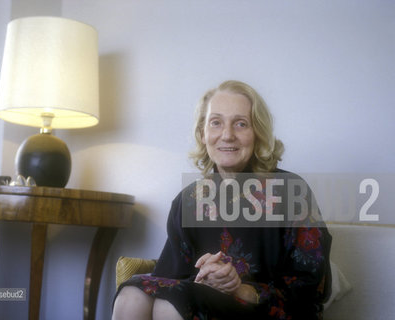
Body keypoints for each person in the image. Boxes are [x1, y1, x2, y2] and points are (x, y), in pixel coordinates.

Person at [112, 80, 332, 320]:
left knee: (171, 304)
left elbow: (311, 287)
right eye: (216, 123)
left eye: (240, 124)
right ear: (202, 134)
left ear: (258, 133)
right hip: (202, 305)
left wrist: (240, 288)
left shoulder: (292, 192)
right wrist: (205, 278)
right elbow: (170, 277)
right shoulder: (188, 201)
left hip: (271, 312)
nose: (227, 135)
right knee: (131, 295)